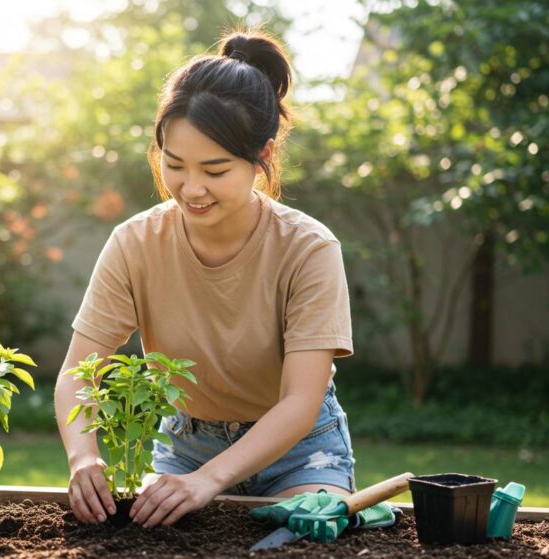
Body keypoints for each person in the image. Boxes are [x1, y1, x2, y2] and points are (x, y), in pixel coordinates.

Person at [54, 29, 355, 529]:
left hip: (300, 450)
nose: (191, 188)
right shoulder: (135, 243)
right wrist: (84, 458)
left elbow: (301, 402)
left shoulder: (309, 248)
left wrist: (210, 481)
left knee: (299, 537)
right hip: (187, 445)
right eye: (174, 165)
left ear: (263, 156)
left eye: (215, 170)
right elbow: (77, 374)